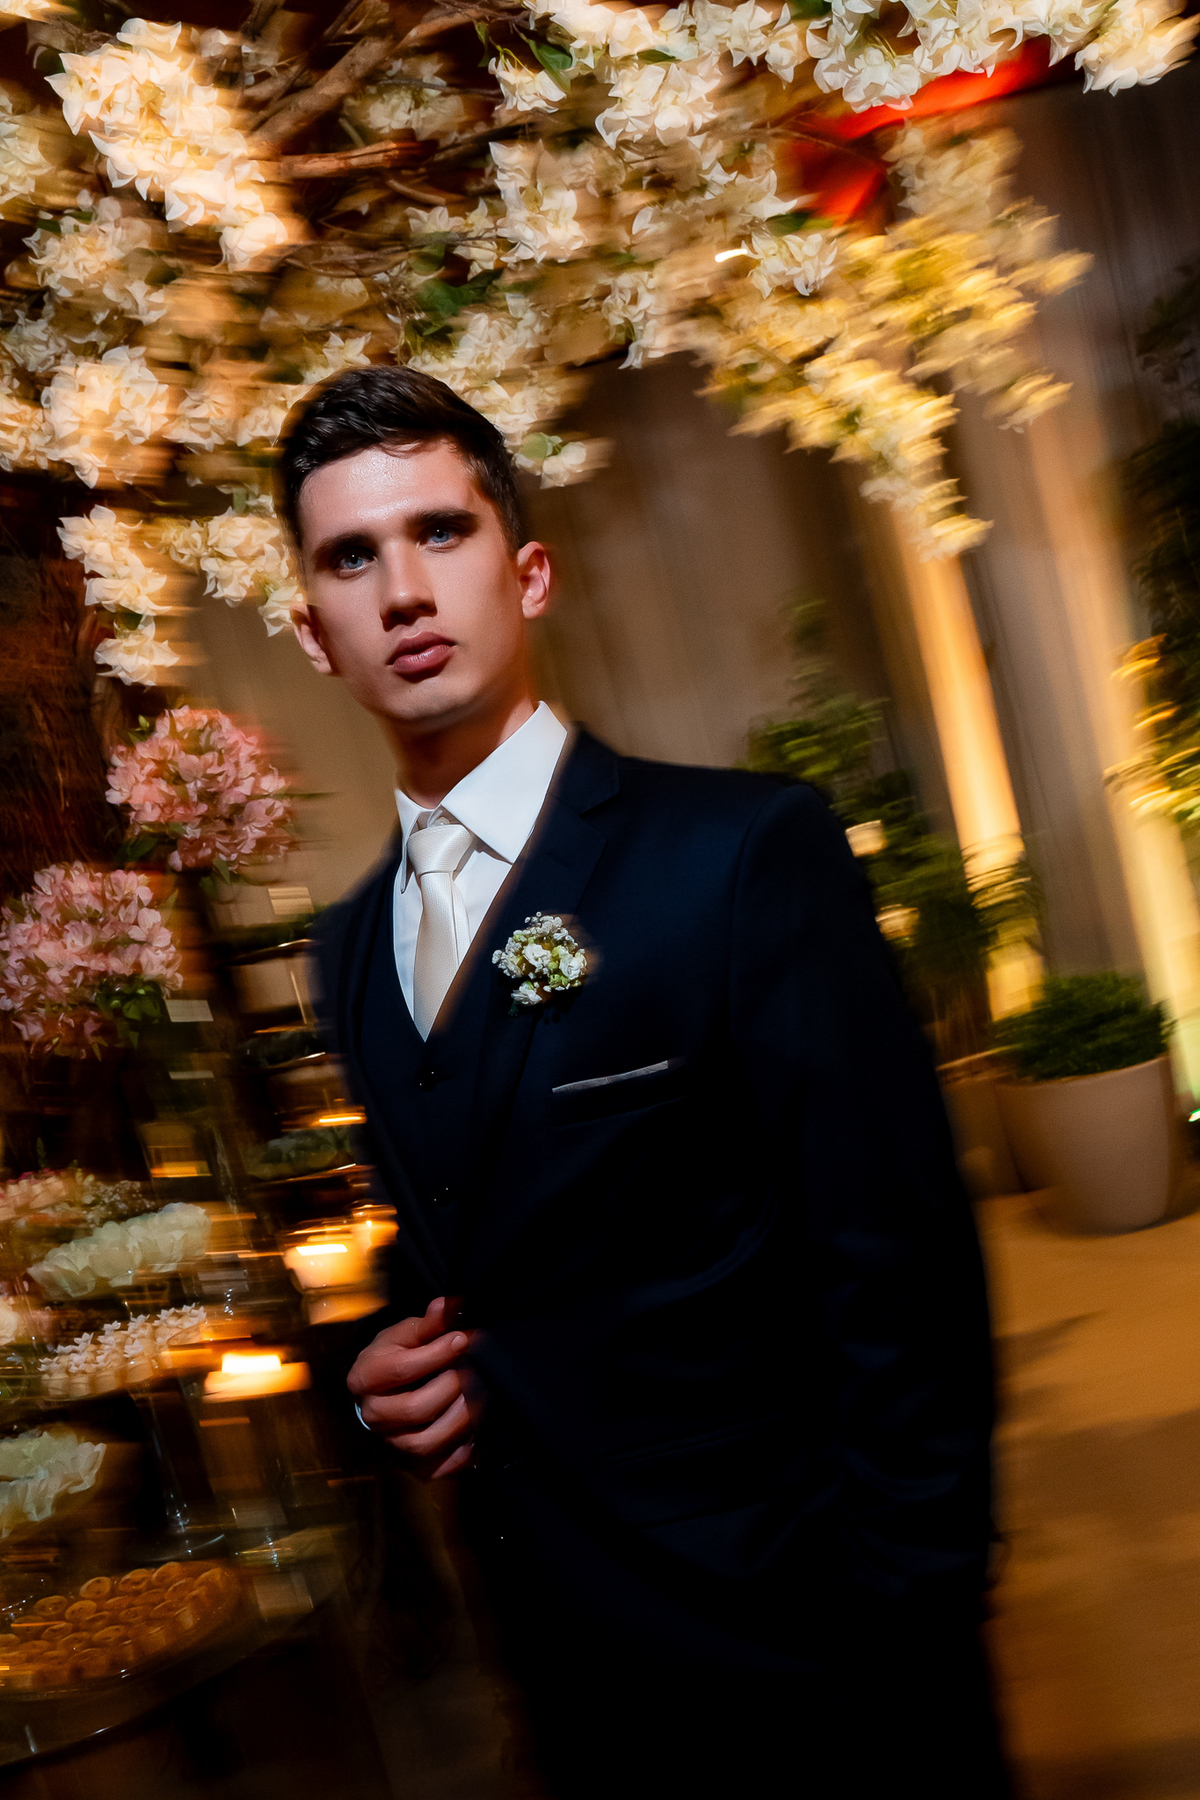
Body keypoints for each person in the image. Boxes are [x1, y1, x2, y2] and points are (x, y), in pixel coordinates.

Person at [284, 364, 1007, 1798]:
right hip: (563, 1673)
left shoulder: (737, 856)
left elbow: (904, 1275)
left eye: (442, 532)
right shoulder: (348, 949)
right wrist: (368, 1383)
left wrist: (905, 1631)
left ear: (529, 572)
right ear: (315, 634)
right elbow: (467, 1237)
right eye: (351, 558)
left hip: (807, 1649)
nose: (404, 592)